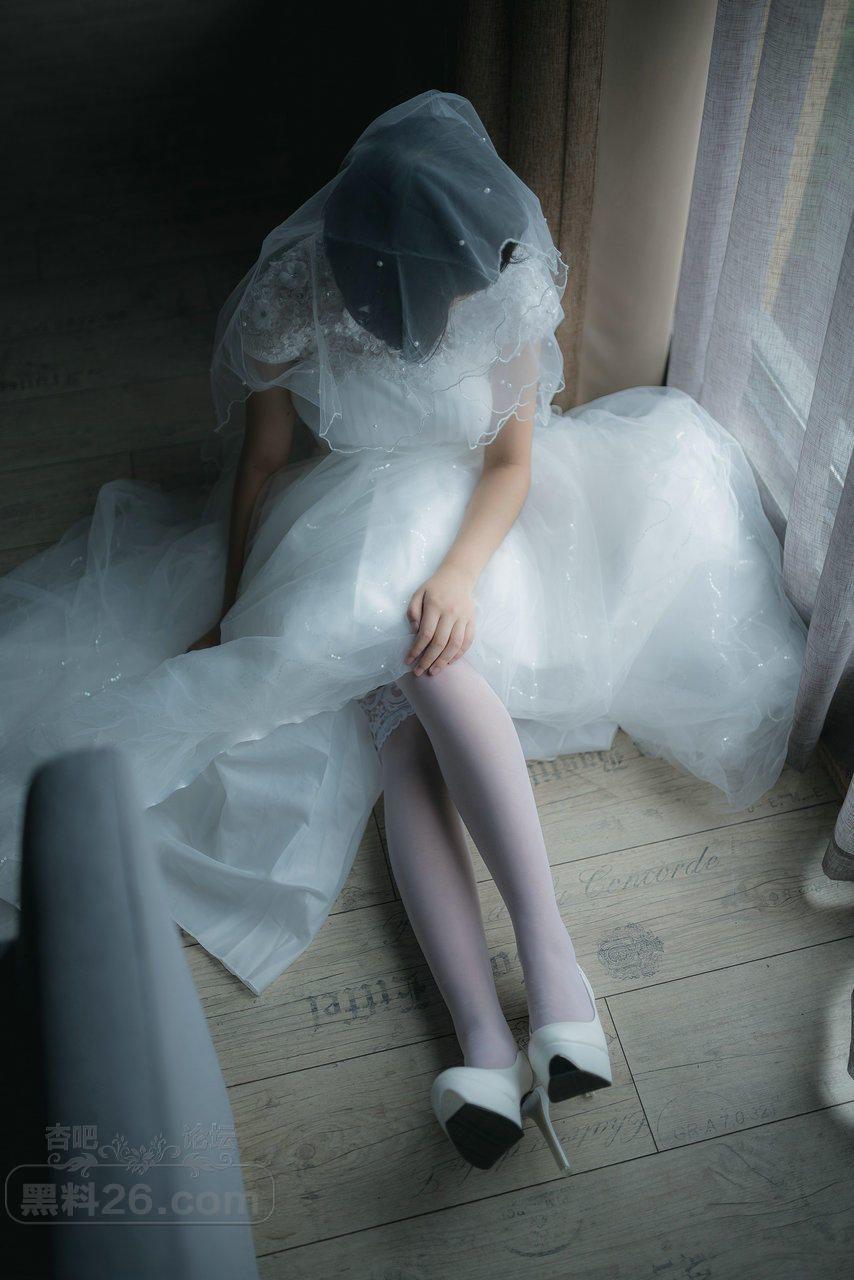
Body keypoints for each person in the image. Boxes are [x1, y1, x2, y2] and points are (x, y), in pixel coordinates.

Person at [0, 90, 806, 1173]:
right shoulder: (295, 295)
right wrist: (233, 604)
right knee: (398, 719)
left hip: (479, 520)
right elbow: (263, 462)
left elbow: (510, 462)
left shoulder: (500, 281)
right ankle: (500, 1032)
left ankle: (542, 978)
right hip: (346, 518)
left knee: (427, 651)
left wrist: (458, 573)